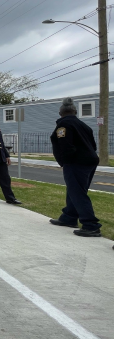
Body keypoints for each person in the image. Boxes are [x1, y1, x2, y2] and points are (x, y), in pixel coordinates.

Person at [49, 98, 102, 237]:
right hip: (90, 161)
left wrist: (65, 161)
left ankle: (91, 225)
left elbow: (66, 146)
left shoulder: (63, 125)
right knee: (75, 190)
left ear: (60, 113)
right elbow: (93, 146)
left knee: (77, 192)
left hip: (76, 162)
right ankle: (69, 217)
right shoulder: (84, 126)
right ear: (75, 112)